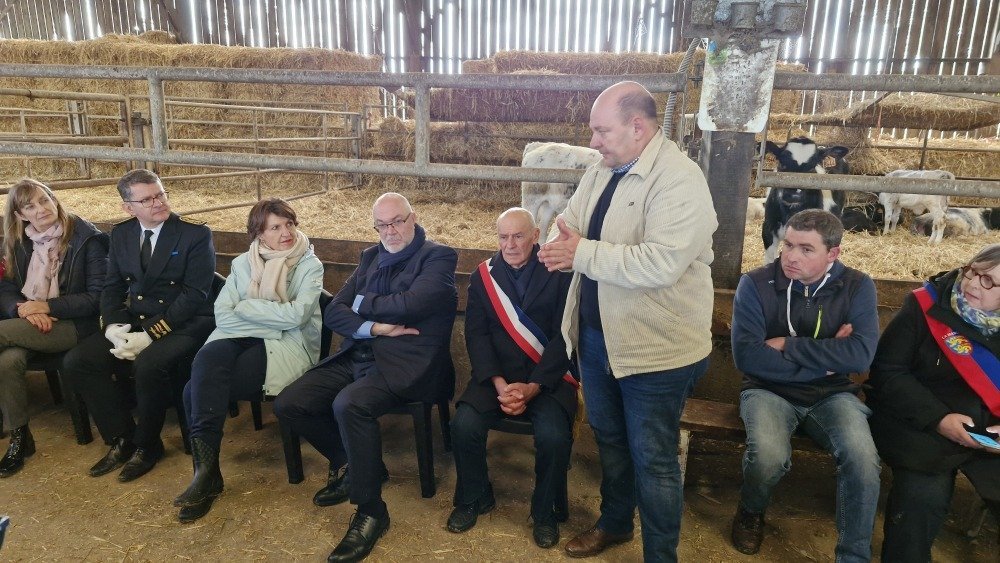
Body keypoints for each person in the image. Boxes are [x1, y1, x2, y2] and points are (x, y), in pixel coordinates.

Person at [537, 80, 717, 562]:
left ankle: (661, 555)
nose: (592, 142)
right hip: (598, 338)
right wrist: (560, 247)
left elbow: (661, 263)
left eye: (600, 131)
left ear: (637, 127)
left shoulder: (680, 180)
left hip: (657, 349)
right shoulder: (602, 170)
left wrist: (581, 253)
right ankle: (616, 523)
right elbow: (569, 222)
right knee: (611, 440)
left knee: (654, 459)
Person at [273, 192, 457, 563]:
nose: (390, 231)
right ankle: (358, 464)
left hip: (408, 362)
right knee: (290, 403)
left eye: (397, 221)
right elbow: (333, 312)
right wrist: (376, 328)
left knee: (349, 405)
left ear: (413, 217)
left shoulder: (438, 256)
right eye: (382, 224)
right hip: (362, 351)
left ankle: (372, 511)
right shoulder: (371, 256)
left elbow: (412, 304)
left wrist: (362, 303)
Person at [729, 209, 881, 562]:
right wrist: (828, 361)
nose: (791, 257)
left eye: (806, 249)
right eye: (788, 245)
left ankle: (853, 555)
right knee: (768, 456)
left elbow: (859, 356)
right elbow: (748, 358)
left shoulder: (857, 286)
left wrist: (787, 345)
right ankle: (751, 511)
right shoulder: (755, 284)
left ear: (833, 253)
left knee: (862, 460)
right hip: (767, 390)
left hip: (834, 394)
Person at [173, 198, 323, 523]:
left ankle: (207, 477)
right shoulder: (243, 263)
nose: (286, 233)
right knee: (206, 360)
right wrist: (268, 315)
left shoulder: (309, 265)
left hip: (285, 346)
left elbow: (296, 318)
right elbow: (222, 315)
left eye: (289, 224)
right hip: (239, 338)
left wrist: (246, 309)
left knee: (192, 392)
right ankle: (206, 474)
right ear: (259, 233)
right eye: (275, 227)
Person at [62, 169, 216, 482]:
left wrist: (149, 335)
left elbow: (194, 296)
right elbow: (113, 285)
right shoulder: (121, 234)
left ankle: (147, 445)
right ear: (128, 207)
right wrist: (113, 326)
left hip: (187, 322)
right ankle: (123, 437)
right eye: (146, 199)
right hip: (138, 317)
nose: (158, 202)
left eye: (160, 194)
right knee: (78, 361)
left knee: (148, 365)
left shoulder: (194, 235)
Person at [448, 207, 575, 548]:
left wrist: (534, 386)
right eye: (503, 237)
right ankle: (475, 496)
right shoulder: (483, 276)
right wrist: (500, 384)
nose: (510, 245)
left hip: (546, 380)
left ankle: (545, 511)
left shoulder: (559, 272)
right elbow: (476, 335)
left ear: (536, 236)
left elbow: (565, 337)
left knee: (553, 436)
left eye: (518, 236)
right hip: (497, 379)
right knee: (463, 425)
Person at [867, 243, 1000, 562]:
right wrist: (938, 418)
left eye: (988, 281)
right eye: (971, 271)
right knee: (918, 503)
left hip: (988, 438)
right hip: (923, 429)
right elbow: (888, 372)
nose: (970, 283)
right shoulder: (924, 306)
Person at [0, 179, 107, 477]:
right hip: (30, 321)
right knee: (7, 361)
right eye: (30, 206)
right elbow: (5, 287)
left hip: (77, 325)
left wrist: (47, 307)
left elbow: (98, 298)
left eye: (45, 200)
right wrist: (21, 309)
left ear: (54, 199)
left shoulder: (87, 238)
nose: (42, 209)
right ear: (20, 215)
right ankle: (21, 437)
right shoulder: (19, 242)